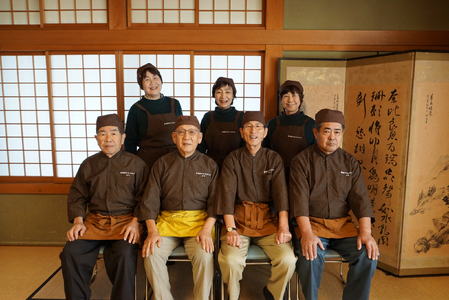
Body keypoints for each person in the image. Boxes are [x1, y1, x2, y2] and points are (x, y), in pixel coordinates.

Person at [289, 108, 379, 300]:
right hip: (312, 225)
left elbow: (361, 198)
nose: (332, 137)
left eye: (337, 132)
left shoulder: (350, 162)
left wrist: (366, 233)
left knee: (368, 255)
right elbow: (299, 201)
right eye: (327, 131)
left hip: (342, 226)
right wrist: (307, 234)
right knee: (310, 257)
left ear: (342, 134)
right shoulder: (301, 161)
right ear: (316, 133)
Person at [60, 114, 149, 300]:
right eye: (103, 133)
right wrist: (78, 221)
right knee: (71, 252)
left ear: (123, 137)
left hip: (126, 222)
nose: (108, 139)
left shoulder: (137, 164)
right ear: (96, 138)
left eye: (114, 133)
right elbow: (77, 196)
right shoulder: (88, 164)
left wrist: (136, 223)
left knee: (125, 254)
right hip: (94, 222)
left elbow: (145, 199)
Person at [215, 111, 297, 300]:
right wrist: (230, 229)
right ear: (241, 132)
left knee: (287, 259)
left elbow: (281, 196)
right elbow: (226, 196)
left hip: (268, 222)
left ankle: (273, 292)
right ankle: (232, 294)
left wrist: (283, 227)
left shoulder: (274, 159)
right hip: (239, 222)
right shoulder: (232, 159)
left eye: (258, 127)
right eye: (249, 127)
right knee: (230, 259)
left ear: (265, 132)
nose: (253, 131)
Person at [138, 116, 219, 300]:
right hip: (167, 223)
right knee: (151, 253)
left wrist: (207, 230)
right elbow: (149, 202)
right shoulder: (161, 164)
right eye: (181, 132)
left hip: (199, 225)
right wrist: (151, 231)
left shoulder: (210, 165)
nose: (186, 137)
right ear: (174, 137)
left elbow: (216, 202)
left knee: (205, 255)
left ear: (200, 138)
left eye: (192, 132)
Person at [124, 63, 183, 170]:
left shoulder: (175, 104)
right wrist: (131, 167)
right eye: (147, 79)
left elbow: (182, 132)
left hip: (174, 160)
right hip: (148, 162)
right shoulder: (136, 109)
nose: (152, 83)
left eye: (155, 78)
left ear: (161, 81)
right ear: (141, 85)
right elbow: (130, 142)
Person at [263, 80, 316, 180]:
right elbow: (265, 152)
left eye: (294, 95)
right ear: (281, 100)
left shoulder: (311, 124)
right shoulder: (272, 123)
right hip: (275, 177)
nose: (290, 100)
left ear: (300, 99)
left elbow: (315, 156)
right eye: (286, 96)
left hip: (302, 177)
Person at [198, 77, 244, 170]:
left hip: (235, 166)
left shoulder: (241, 117)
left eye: (227, 92)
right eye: (219, 92)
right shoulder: (207, 117)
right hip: (210, 166)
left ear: (233, 95)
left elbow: (245, 145)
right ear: (214, 95)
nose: (223, 96)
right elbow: (200, 146)